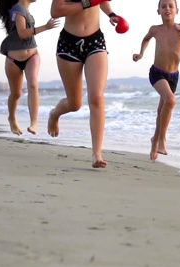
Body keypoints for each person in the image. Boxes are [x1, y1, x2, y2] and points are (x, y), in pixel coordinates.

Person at [48, 0, 126, 168]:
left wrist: (111, 14)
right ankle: (54, 114)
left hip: (95, 41)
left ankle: (96, 153)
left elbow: (101, 1)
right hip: (69, 45)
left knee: (97, 97)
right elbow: (56, 11)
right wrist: (86, 3)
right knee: (74, 104)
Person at [133, 0, 180, 160]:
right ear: (158, 11)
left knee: (161, 111)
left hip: (173, 76)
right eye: (163, 6)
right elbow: (146, 38)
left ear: (177, 10)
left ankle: (154, 143)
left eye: (171, 6)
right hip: (157, 73)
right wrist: (141, 53)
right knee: (170, 100)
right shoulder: (155, 29)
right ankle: (162, 139)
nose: (167, 9)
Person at [0, 0, 59, 135]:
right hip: (13, 59)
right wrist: (46, 27)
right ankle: (12, 118)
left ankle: (34, 122)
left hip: (32, 55)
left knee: (33, 84)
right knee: (16, 93)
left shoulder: (25, 10)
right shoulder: (18, 9)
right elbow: (22, 33)